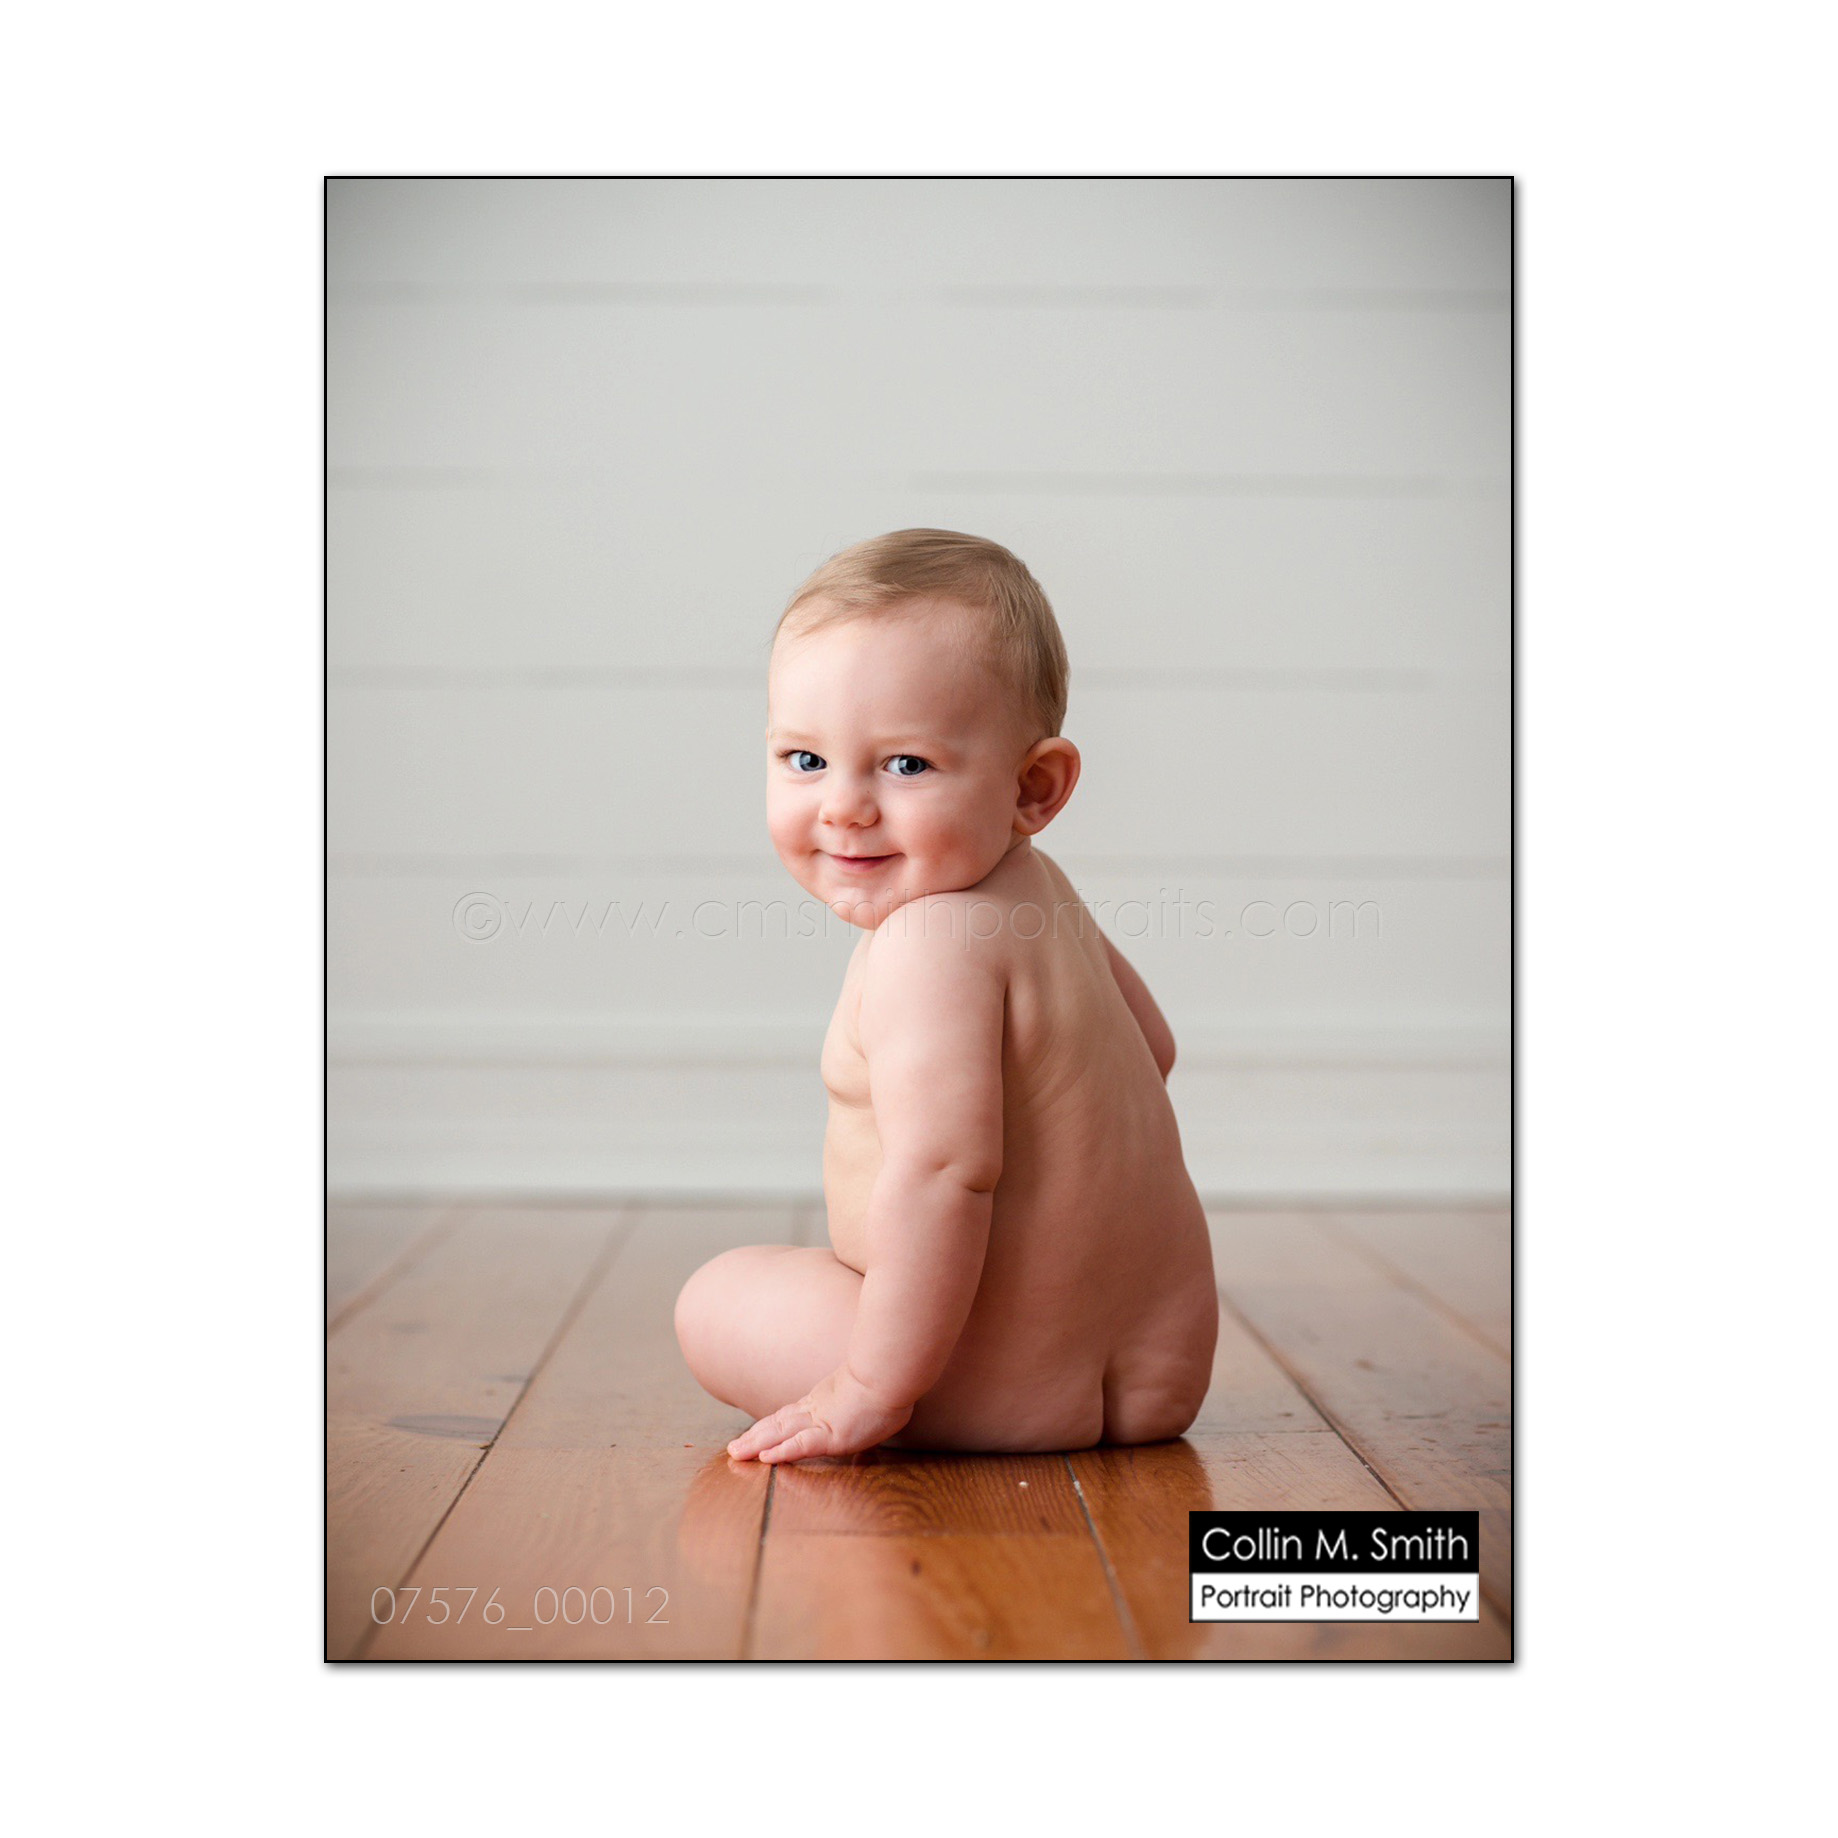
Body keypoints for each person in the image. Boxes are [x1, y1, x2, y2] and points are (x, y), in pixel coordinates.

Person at [674, 529, 1217, 1461]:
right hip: (1158, 1372)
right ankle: (1083, 1348)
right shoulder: (1044, 893)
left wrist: (870, 1385)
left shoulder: (926, 946)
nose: (844, 806)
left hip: (975, 1376)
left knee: (715, 1299)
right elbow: (1153, 1047)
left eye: (905, 765)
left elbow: (943, 1174)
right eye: (805, 760)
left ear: (1034, 787)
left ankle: (912, 1373)